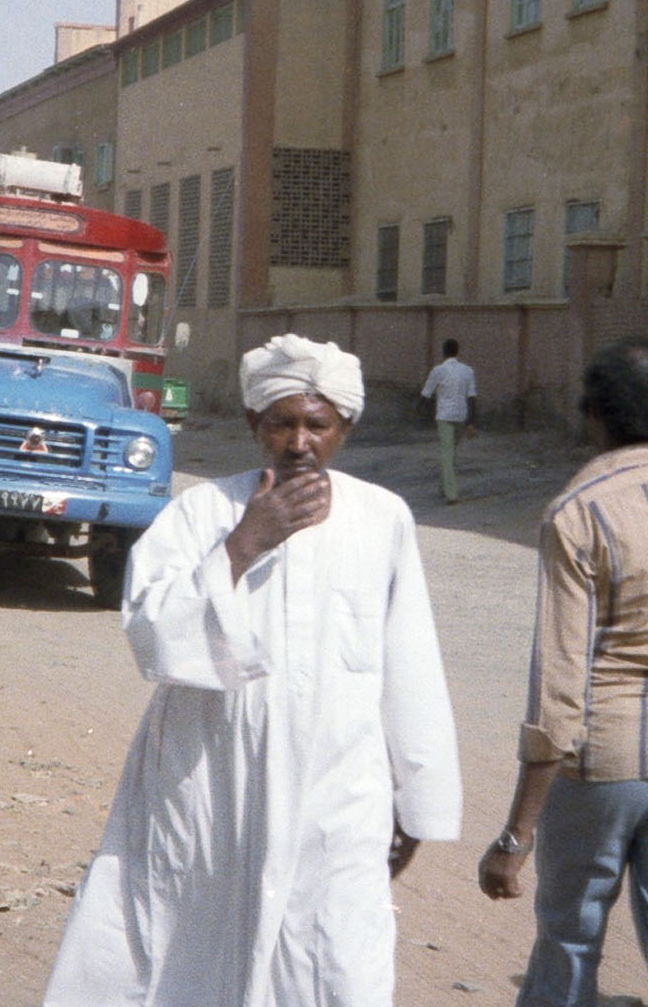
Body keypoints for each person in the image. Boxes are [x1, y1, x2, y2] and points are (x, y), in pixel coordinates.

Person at [43, 334, 461, 1007]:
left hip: (338, 789)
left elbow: (408, 661)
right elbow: (152, 634)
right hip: (211, 781)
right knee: (193, 946)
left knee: (336, 965)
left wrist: (416, 801)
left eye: (316, 424)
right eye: (282, 422)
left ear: (344, 428)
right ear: (253, 425)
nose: (299, 441)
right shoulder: (202, 513)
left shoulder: (382, 520)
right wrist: (243, 544)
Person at [477, 337, 648, 1007]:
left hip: (601, 767)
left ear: (596, 413)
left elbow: (559, 694)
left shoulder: (579, 510)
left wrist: (516, 834)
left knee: (569, 948)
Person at [418, 340, 479, 505]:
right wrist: (472, 422)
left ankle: (451, 494)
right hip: (461, 416)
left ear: (443, 352)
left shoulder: (438, 371)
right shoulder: (468, 371)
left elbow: (426, 394)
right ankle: (445, 487)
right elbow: (472, 398)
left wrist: (417, 411)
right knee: (450, 453)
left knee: (447, 454)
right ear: (457, 352)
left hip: (444, 416)